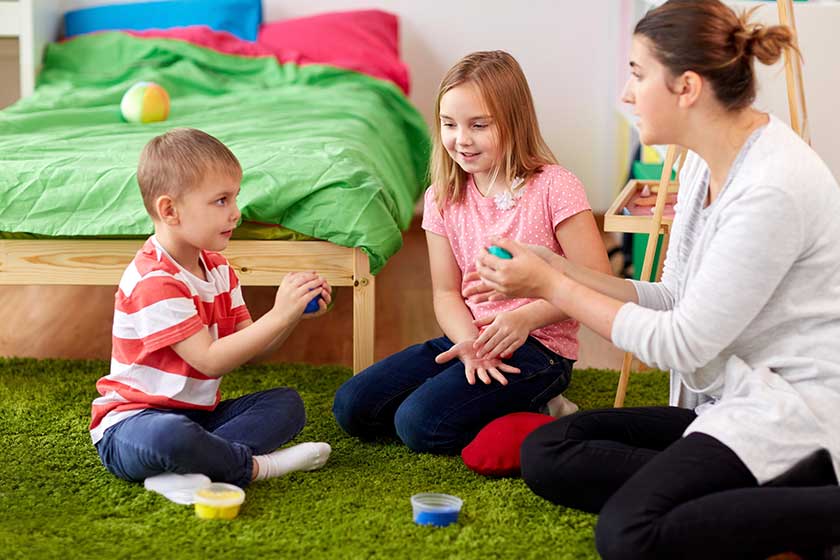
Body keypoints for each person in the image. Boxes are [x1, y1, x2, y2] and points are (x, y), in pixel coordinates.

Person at [472, 2, 840, 558]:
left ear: (686, 87)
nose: (625, 92)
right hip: (730, 400)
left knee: (628, 533)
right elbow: (670, 295)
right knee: (549, 449)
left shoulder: (770, 189)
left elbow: (680, 340)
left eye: (638, 74)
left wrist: (553, 290)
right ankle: (741, 493)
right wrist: (552, 266)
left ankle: (814, 499)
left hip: (793, 411)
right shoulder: (703, 161)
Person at [332, 51, 611, 454]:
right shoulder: (442, 196)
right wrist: (467, 345)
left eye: (478, 125)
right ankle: (482, 397)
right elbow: (447, 293)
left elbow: (598, 281)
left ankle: (543, 405)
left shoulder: (555, 186)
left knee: (418, 425)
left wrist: (524, 318)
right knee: (352, 406)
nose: (461, 139)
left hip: (539, 347)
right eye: (449, 125)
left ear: (514, 123)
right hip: (471, 336)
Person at [91, 128, 332, 488]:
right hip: (133, 424)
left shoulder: (218, 268)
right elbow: (210, 360)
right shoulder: (154, 279)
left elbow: (253, 349)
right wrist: (278, 314)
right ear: (170, 210)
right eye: (221, 201)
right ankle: (254, 468)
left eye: (234, 198)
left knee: (287, 405)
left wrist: (291, 315)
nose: (236, 213)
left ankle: (190, 470)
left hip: (200, 417)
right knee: (170, 437)